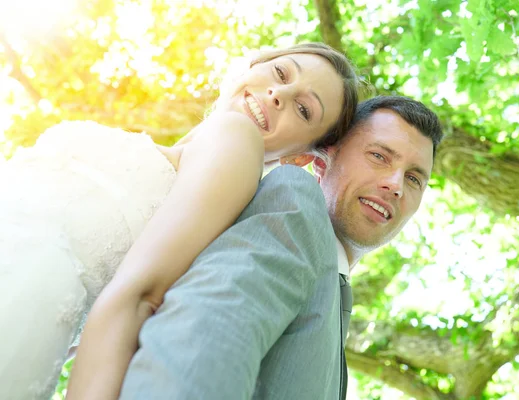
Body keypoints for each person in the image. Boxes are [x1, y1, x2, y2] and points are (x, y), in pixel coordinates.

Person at [0, 42, 359, 400]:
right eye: (281, 73)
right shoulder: (174, 158)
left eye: (303, 109)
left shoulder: (240, 139)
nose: (278, 93)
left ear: (298, 159)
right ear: (252, 64)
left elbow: (138, 297)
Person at [116, 95, 444, 399]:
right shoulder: (293, 199)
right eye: (379, 156)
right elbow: (207, 335)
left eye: (414, 178)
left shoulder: (333, 297)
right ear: (322, 160)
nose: (396, 184)